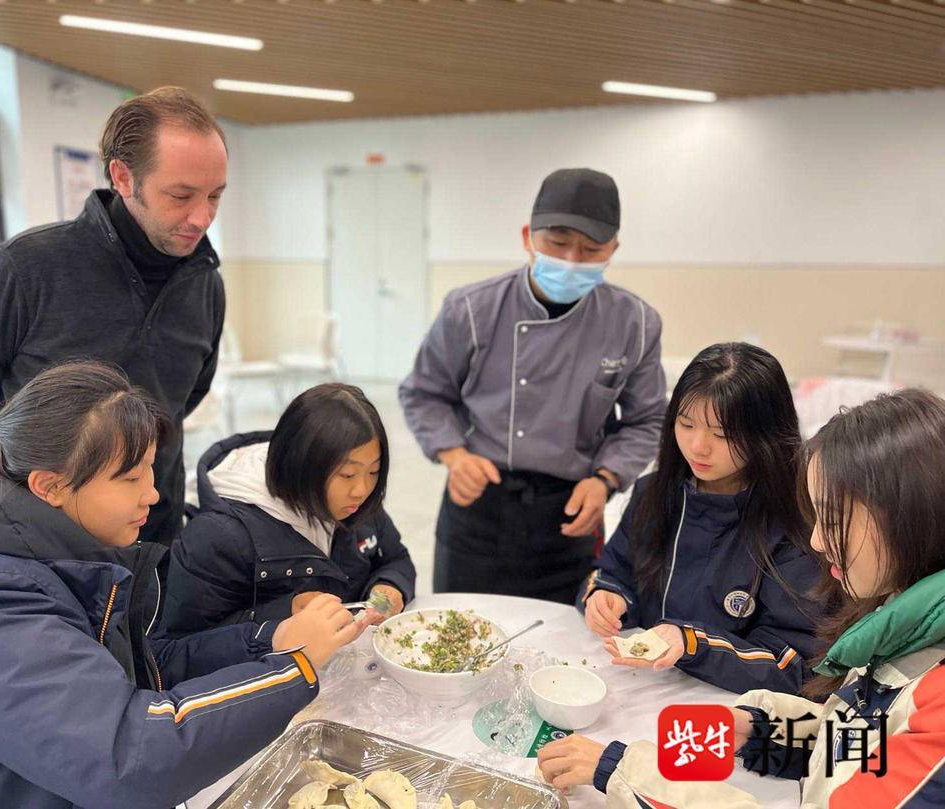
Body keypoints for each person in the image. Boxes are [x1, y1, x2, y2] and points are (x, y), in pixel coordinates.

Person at [0, 362, 369, 809]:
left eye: (152, 470)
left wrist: (270, 641)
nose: (152, 494)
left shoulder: (66, 557)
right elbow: (129, 760)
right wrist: (292, 669)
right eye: (130, 479)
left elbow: (136, 673)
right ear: (50, 486)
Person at [538, 388, 945, 806]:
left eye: (835, 518)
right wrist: (761, 731)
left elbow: (802, 672)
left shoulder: (935, 703)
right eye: (686, 423)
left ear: (909, 517)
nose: (819, 541)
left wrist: (621, 770)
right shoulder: (902, 624)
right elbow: (859, 740)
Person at [0, 86, 229, 545]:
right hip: (40, 532)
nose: (202, 216)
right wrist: (58, 462)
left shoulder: (205, 283)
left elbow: (182, 398)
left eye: (215, 195)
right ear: (123, 177)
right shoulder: (22, 269)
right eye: (181, 195)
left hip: (155, 530)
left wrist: (131, 477)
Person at [399, 168, 666, 603]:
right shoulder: (471, 309)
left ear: (613, 250)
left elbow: (647, 418)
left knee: (561, 649)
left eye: (591, 249)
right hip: (478, 503)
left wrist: (605, 478)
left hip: (572, 512)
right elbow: (424, 392)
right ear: (528, 237)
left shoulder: (634, 324)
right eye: (558, 244)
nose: (572, 261)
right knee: (460, 635)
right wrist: (453, 454)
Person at [580, 343, 823, 695]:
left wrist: (692, 644)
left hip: (727, 714)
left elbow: (795, 665)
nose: (697, 446)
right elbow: (613, 570)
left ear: (766, 435)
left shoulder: (794, 524)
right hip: (637, 689)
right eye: (686, 423)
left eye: (722, 434)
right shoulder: (655, 493)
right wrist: (607, 596)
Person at [162, 383, 416, 633]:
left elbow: (395, 558)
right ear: (301, 465)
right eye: (348, 474)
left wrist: (388, 588)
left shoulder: (354, 504)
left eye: (374, 471)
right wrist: (287, 612)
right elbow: (181, 645)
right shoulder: (218, 536)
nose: (362, 488)